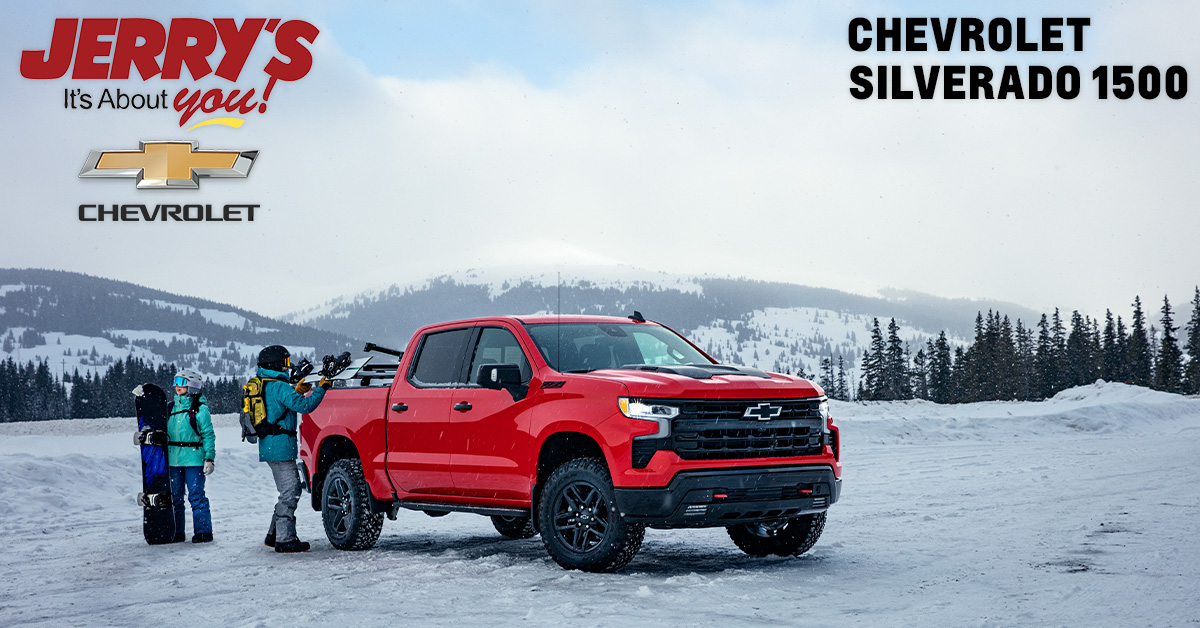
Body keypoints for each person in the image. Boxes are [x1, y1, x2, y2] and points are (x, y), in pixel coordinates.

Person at [255, 345, 330, 553]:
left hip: (271, 445)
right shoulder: (279, 385)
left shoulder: (267, 383)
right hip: (279, 446)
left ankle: (274, 535)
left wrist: (295, 391)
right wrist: (323, 387)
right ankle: (285, 539)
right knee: (291, 491)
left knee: (286, 491)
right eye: (286, 363)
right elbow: (305, 407)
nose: (288, 367)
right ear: (276, 364)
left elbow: (278, 406)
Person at [133, 369, 216, 543]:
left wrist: (209, 458)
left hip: (193, 459)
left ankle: (203, 532)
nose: (177, 385)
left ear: (192, 385)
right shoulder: (169, 408)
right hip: (173, 460)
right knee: (175, 498)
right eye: (176, 381)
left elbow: (208, 435)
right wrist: (144, 398)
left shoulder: (200, 410)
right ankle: (176, 531)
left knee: (196, 496)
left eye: (182, 381)